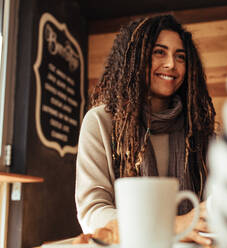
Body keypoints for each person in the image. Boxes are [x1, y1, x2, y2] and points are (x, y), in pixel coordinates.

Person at [75, 14, 216, 247]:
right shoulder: (101, 122)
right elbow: (93, 211)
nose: (171, 63)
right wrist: (170, 225)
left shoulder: (200, 129)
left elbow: (213, 208)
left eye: (180, 56)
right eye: (159, 52)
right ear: (135, 59)